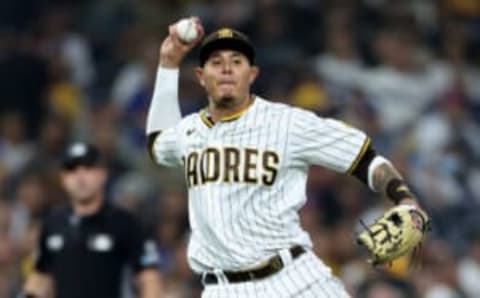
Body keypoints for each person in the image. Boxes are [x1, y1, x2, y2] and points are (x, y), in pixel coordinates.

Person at [146, 17, 427, 297]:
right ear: (201, 76)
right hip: (223, 289)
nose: (227, 69)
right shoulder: (189, 132)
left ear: (252, 74)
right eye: (216, 62)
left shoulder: (287, 123)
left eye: (236, 61)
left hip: (294, 280)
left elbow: (363, 158)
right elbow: (158, 143)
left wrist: (403, 197)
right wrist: (169, 64)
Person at [22, 142, 163, 298]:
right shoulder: (53, 223)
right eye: (72, 170)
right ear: (62, 178)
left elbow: (149, 279)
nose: (80, 177)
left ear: (103, 174)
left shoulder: (125, 223)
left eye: (88, 168)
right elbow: (41, 276)